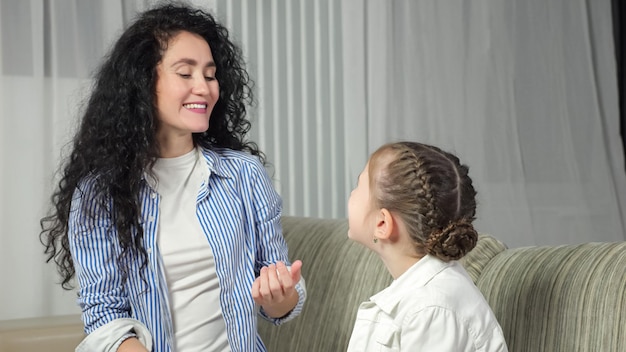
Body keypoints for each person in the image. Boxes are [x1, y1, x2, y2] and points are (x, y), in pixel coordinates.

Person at [39, 2, 306, 351]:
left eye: (210, 75)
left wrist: (279, 296)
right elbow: (104, 314)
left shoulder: (244, 175)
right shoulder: (99, 194)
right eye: (185, 73)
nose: (204, 87)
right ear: (144, 83)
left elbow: (282, 295)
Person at [346, 141, 508, 351]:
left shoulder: (432, 309)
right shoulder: (421, 298)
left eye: (359, 185)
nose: (351, 194)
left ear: (382, 224)